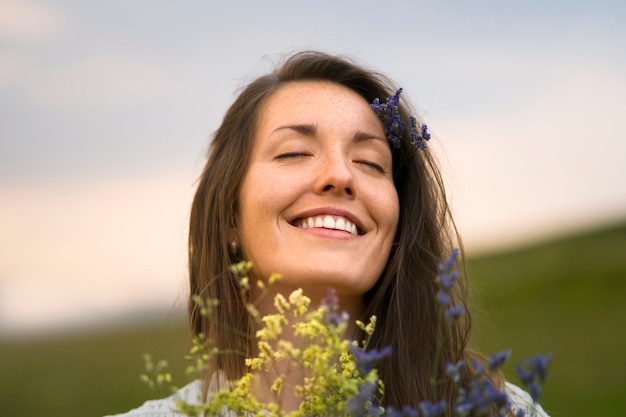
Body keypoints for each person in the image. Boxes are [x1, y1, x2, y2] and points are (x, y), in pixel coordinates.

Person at [107, 51, 549, 417]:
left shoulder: (493, 409)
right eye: (294, 152)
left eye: (371, 163)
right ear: (229, 217)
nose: (339, 175)